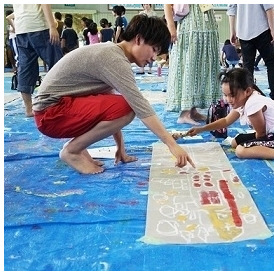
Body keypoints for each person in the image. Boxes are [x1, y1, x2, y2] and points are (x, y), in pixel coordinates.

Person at [32, 14, 195, 175]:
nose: (153, 58)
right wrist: (172, 144)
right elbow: (139, 106)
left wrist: (121, 149)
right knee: (128, 107)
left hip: (55, 110)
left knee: (121, 104)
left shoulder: (112, 53)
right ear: (138, 39)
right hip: (51, 114)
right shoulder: (114, 59)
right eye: (154, 50)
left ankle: (78, 148)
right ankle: (72, 151)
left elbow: (111, 107)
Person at [186, 68, 274, 165]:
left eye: (232, 95)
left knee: (241, 150)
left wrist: (249, 147)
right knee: (236, 141)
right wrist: (201, 129)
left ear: (247, 91)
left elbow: (261, 134)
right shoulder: (243, 100)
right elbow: (226, 121)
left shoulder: (252, 104)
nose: (228, 100)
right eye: (226, 95)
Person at [164, 4, 220, 125]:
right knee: (190, 66)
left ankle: (192, 110)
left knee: (201, 67)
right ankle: (184, 113)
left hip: (206, 25)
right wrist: (171, 26)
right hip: (190, 28)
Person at [7, 4, 63, 117]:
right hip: (39, 27)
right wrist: (52, 26)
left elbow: (11, 16)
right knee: (59, 65)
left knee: (25, 68)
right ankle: (60, 103)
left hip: (22, 30)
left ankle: (29, 109)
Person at [227, 4, 274, 100]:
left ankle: (250, 98)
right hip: (261, 28)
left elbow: (231, 8)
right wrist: (272, 29)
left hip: (243, 32)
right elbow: (268, 7)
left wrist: (232, 31)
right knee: (271, 63)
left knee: (247, 69)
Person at [138, 4, 158, 74]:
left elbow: (156, 25)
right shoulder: (141, 13)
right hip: (143, 34)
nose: (146, 5)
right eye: (144, 4)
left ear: (150, 5)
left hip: (151, 34)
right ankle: (141, 68)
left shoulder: (154, 13)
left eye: (147, 4)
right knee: (141, 51)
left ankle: (150, 68)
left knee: (151, 51)